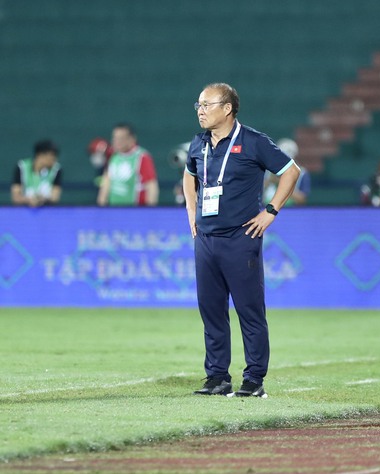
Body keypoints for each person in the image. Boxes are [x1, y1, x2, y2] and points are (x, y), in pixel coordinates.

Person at [183, 82, 300, 398]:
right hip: (206, 239)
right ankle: (217, 377)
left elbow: (291, 172)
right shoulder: (199, 143)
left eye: (207, 104)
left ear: (227, 108)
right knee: (211, 311)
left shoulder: (253, 141)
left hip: (240, 237)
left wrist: (271, 211)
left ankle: (254, 380)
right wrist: (191, 211)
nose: (201, 110)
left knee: (249, 311)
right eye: (199, 105)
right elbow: (188, 174)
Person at [97, 123, 159, 206]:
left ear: (131, 139)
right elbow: (106, 182)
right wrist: (101, 206)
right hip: (113, 211)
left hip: (134, 212)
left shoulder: (142, 157)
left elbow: (151, 186)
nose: (116, 142)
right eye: (115, 138)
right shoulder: (113, 156)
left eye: (121, 138)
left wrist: (150, 212)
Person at [11, 139, 63, 206]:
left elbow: (55, 197)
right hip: (23, 211)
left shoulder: (56, 169)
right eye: (52, 157)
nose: (54, 160)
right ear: (40, 155)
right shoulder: (22, 167)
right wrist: (29, 200)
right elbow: (16, 197)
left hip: (47, 211)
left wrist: (43, 199)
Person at [263, 138, 311, 206]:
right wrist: (270, 181)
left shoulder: (302, 173)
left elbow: (302, 200)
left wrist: (282, 184)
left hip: (291, 211)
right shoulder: (267, 171)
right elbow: (256, 194)